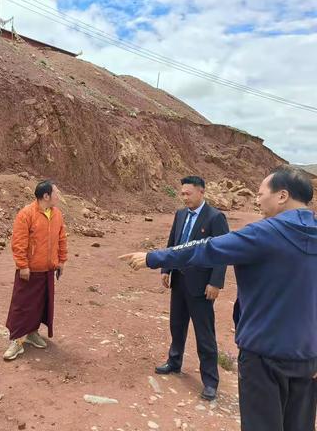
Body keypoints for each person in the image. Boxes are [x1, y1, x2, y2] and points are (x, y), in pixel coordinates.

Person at [120, 165, 317, 431]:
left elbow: (206, 249)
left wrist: (152, 258)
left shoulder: (263, 233)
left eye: (260, 194)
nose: (256, 199)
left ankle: (210, 379)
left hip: (263, 357)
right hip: (307, 359)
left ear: (282, 195)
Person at [155, 176, 229, 401]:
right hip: (179, 280)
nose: (184, 197)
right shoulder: (180, 215)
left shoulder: (215, 217)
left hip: (202, 286)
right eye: (183, 193)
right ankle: (174, 361)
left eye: (188, 193)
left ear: (201, 192)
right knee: (177, 325)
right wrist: (166, 269)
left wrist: (216, 282)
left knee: (204, 333)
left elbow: (223, 251)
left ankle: (210, 381)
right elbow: (173, 245)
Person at [4, 180, 68, 361]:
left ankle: (32, 333)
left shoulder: (57, 215)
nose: (58, 196)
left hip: (47, 270)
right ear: (46, 196)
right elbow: (18, 243)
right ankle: (16, 341)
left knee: (40, 305)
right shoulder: (26, 214)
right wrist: (23, 265)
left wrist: (61, 261)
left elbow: (61, 239)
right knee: (22, 307)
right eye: (56, 192)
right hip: (29, 271)